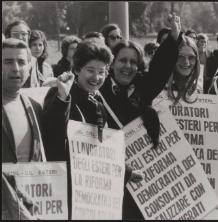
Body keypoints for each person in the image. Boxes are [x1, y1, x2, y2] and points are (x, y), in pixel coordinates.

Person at [42, 40, 143, 219]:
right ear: (77, 69)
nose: (96, 77)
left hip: (94, 193)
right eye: (90, 70)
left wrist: (126, 172)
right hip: (68, 190)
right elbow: (53, 133)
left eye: (102, 72)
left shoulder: (97, 102)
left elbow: (101, 148)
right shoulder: (59, 94)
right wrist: (63, 97)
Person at [99, 13, 183, 219]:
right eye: (122, 61)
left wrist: (173, 38)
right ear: (111, 63)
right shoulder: (99, 91)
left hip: (140, 181)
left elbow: (159, 69)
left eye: (133, 62)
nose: (128, 66)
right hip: (108, 179)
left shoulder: (142, 88)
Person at [2, 38, 47, 163]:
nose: (15, 68)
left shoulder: (35, 107)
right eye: (8, 62)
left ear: (29, 68)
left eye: (21, 62)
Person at [4, 20, 42, 88]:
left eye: (23, 34)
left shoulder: (33, 60)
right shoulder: (3, 59)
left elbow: (35, 85)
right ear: (8, 36)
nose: (20, 37)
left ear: (28, 36)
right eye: (15, 34)